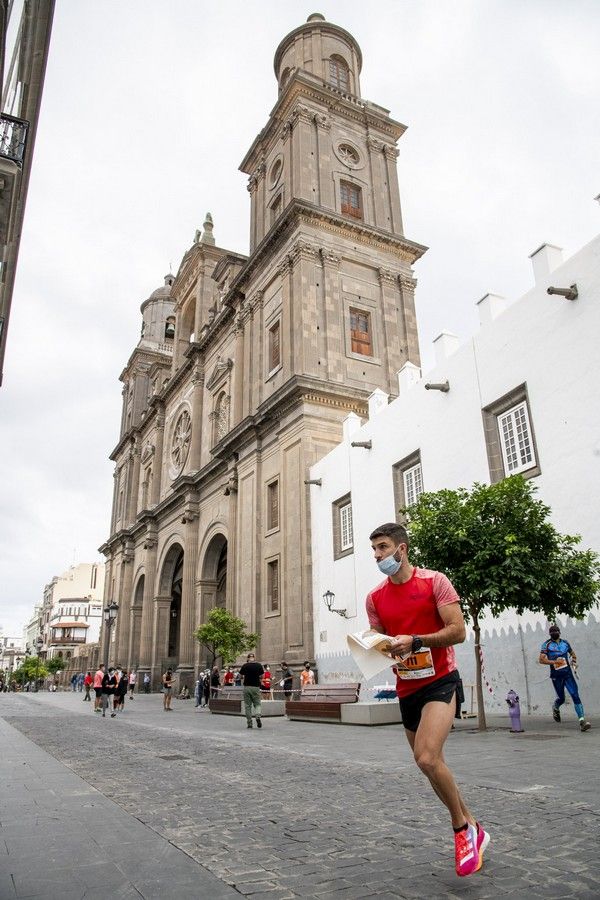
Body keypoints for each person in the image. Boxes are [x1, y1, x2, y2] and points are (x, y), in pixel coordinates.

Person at [366, 522, 489, 878]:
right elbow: (378, 641)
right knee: (431, 765)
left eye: (383, 548)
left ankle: (461, 831)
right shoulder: (375, 597)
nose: (377, 556)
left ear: (401, 549)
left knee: (426, 756)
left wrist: (416, 640)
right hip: (406, 689)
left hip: (440, 681)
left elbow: (459, 631)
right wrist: (375, 647)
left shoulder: (434, 581)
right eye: (374, 549)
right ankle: (474, 825)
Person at [539, 624, 591, 732]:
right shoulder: (546, 645)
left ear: (559, 632)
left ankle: (582, 721)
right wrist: (554, 662)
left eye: (556, 631)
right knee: (561, 698)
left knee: (575, 695)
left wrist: (574, 661)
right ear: (550, 634)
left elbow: (573, 654)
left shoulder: (565, 643)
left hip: (568, 674)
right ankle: (556, 706)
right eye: (552, 632)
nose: (554, 633)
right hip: (556, 676)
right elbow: (541, 660)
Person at [239, 652, 264, 729]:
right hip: (256, 687)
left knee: (247, 706)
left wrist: (244, 677)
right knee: (257, 704)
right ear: (254, 657)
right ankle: (257, 716)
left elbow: (240, 676)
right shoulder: (259, 665)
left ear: (248, 658)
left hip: (247, 687)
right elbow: (261, 676)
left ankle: (249, 723)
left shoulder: (245, 665)